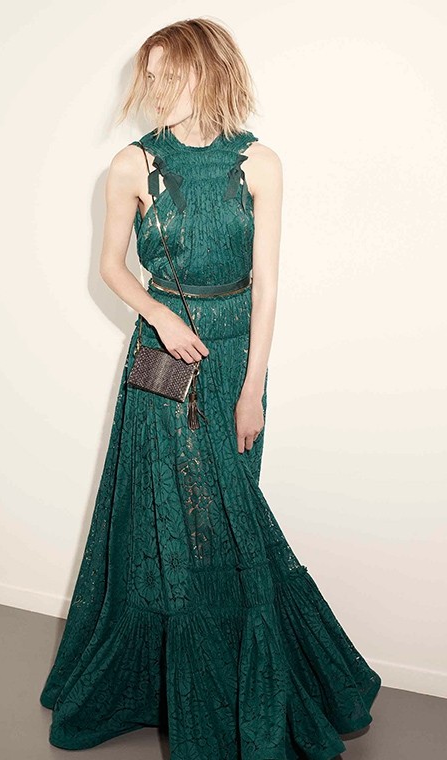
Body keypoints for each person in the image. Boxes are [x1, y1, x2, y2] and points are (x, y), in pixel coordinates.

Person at [39, 17, 382, 758]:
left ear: (211, 70)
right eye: (150, 75)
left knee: (229, 520)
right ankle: (175, 692)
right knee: (167, 523)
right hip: (160, 361)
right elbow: (110, 267)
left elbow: (267, 287)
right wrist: (161, 317)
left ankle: (241, 687)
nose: (156, 88)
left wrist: (252, 387)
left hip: (232, 360)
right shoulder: (131, 165)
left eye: (172, 73)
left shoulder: (260, 163)